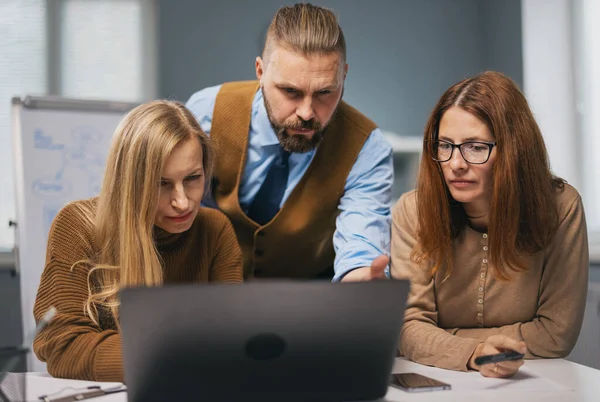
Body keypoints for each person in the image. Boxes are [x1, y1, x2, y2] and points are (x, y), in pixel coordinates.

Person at [391, 71, 589, 378]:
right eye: (445, 145)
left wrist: (444, 339)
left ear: (513, 151)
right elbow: (407, 328)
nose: (455, 163)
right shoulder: (412, 211)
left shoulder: (562, 208)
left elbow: (555, 335)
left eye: (475, 147)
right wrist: (474, 354)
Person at [33, 100, 244, 382]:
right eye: (162, 184)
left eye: (192, 178)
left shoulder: (215, 230)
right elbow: (63, 345)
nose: (182, 202)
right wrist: (177, 356)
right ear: (130, 182)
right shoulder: (78, 225)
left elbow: (233, 339)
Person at [186, 3, 393, 282]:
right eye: (290, 91)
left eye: (324, 92)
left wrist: (361, 277)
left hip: (307, 304)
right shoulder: (205, 114)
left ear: (344, 76)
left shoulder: (367, 148)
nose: (307, 112)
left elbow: (360, 244)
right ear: (260, 71)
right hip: (209, 289)